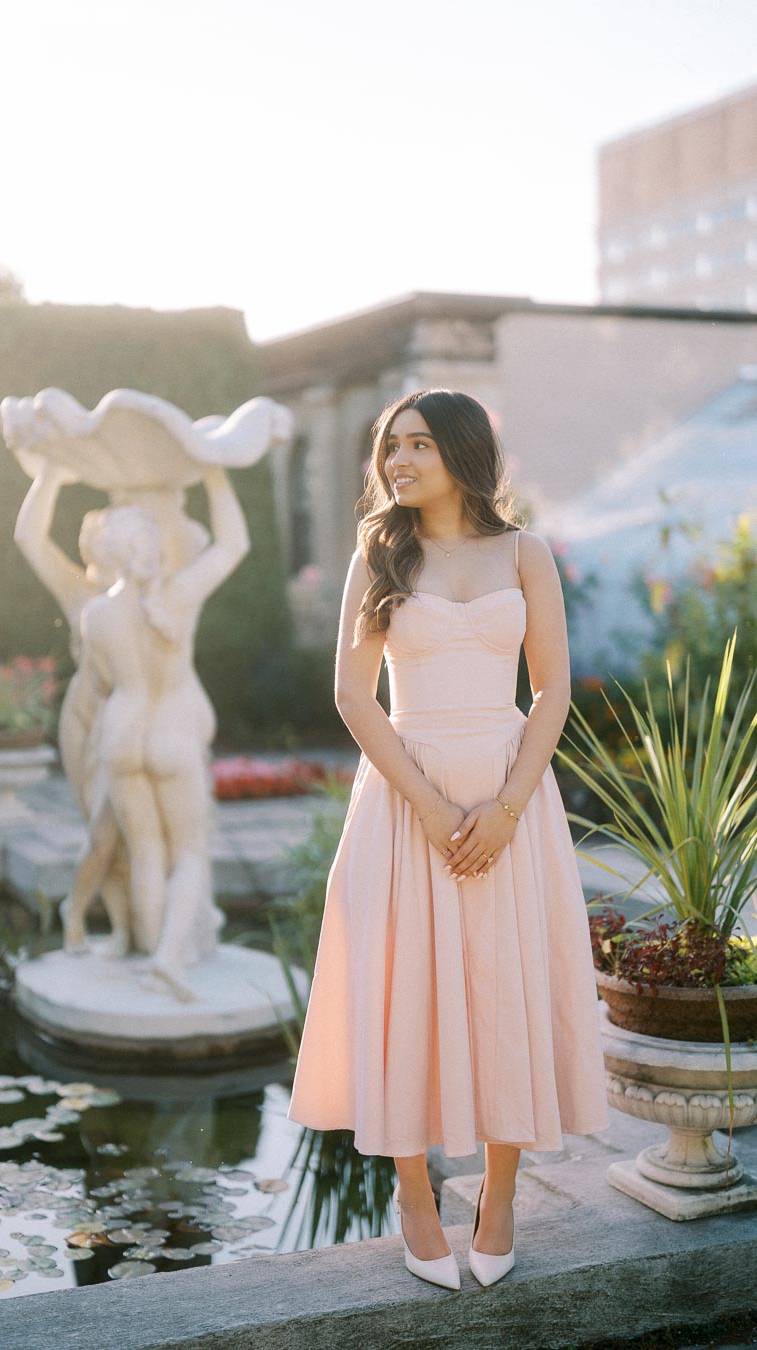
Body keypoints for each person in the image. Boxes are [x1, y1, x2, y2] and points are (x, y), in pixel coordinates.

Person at [286, 388, 610, 1291]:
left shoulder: (526, 554)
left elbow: (552, 689)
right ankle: (415, 1198)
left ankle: (499, 1197)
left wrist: (507, 806)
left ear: (462, 451)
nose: (397, 460)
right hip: (406, 799)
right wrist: (429, 807)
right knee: (406, 986)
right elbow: (353, 695)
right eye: (391, 446)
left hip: (511, 794)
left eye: (418, 444)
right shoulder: (379, 553)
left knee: (507, 985)